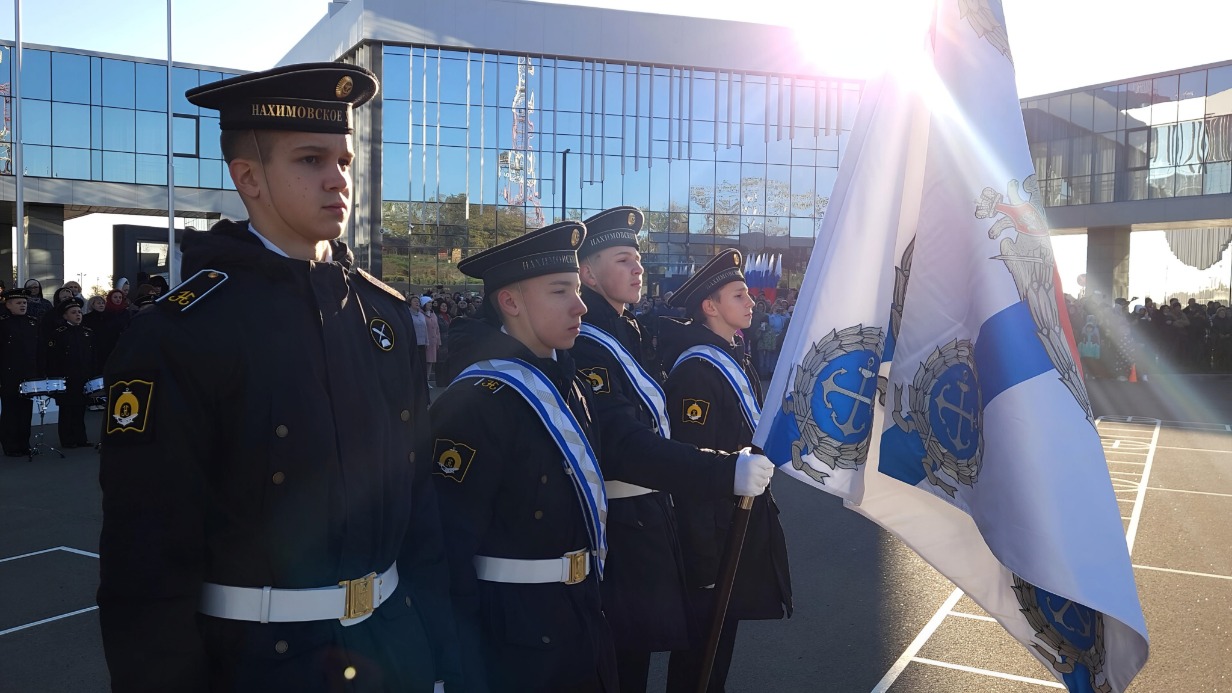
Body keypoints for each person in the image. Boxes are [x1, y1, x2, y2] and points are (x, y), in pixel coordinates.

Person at [97, 63, 456, 692]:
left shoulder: (387, 316)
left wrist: (438, 653)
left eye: (344, 162)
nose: (337, 180)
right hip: (261, 664)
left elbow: (417, 506)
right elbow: (147, 559)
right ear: (248, 177)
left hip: (391, 651)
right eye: (312, 159)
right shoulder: (183, 332)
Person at [570, 207, 775, 693]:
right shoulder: (587, 343)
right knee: (621, 673)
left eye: (638, 258)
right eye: (623, 259)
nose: (638, 267)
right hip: (617, 533)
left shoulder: (629, 332)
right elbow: (625, 445)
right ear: (587, 272)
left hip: (648, 525)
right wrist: (725, 473)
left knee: (639, 666)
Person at [430, 220, 618, 692]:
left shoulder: (569, 382)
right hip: (514, 639)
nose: (580, 306)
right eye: (560, 291)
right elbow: (444, 550)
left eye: (577, 289)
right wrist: (452, 669)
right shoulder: (474, 401)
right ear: (510, 302)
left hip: (581, 615)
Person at [659, 249, 792, 692]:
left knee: (715, 658)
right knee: (699, 661)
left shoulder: (734, 357)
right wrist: (703, 560)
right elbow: (691, 469)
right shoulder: (698, 371)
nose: (752, 302)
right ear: (710, 307)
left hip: (731, 528)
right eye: (739, 295)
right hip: (711, 541)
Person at [45, 297, 96, 448]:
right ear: (65, 316)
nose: (78, 315)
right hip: (66, 377)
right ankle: (67, 439)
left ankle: (81, 438)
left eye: (79, 312)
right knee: (67, 409)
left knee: (80, 408)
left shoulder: (88, 333)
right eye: (73, 312)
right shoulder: (59, 334)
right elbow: (53, 358)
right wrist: (55, 378)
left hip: (83, 376)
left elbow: (93, 356)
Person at [0, 288, 42, 456]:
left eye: (24, 302)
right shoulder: (2, 324)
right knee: (11, 410)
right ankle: (10, 446)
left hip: (28, 373)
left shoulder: (33, 322)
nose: (23, 305)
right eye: (18, 303)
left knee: (25, 410)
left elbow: (38, 349)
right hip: (9, 373)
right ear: (8, 305)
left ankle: (24, 444)